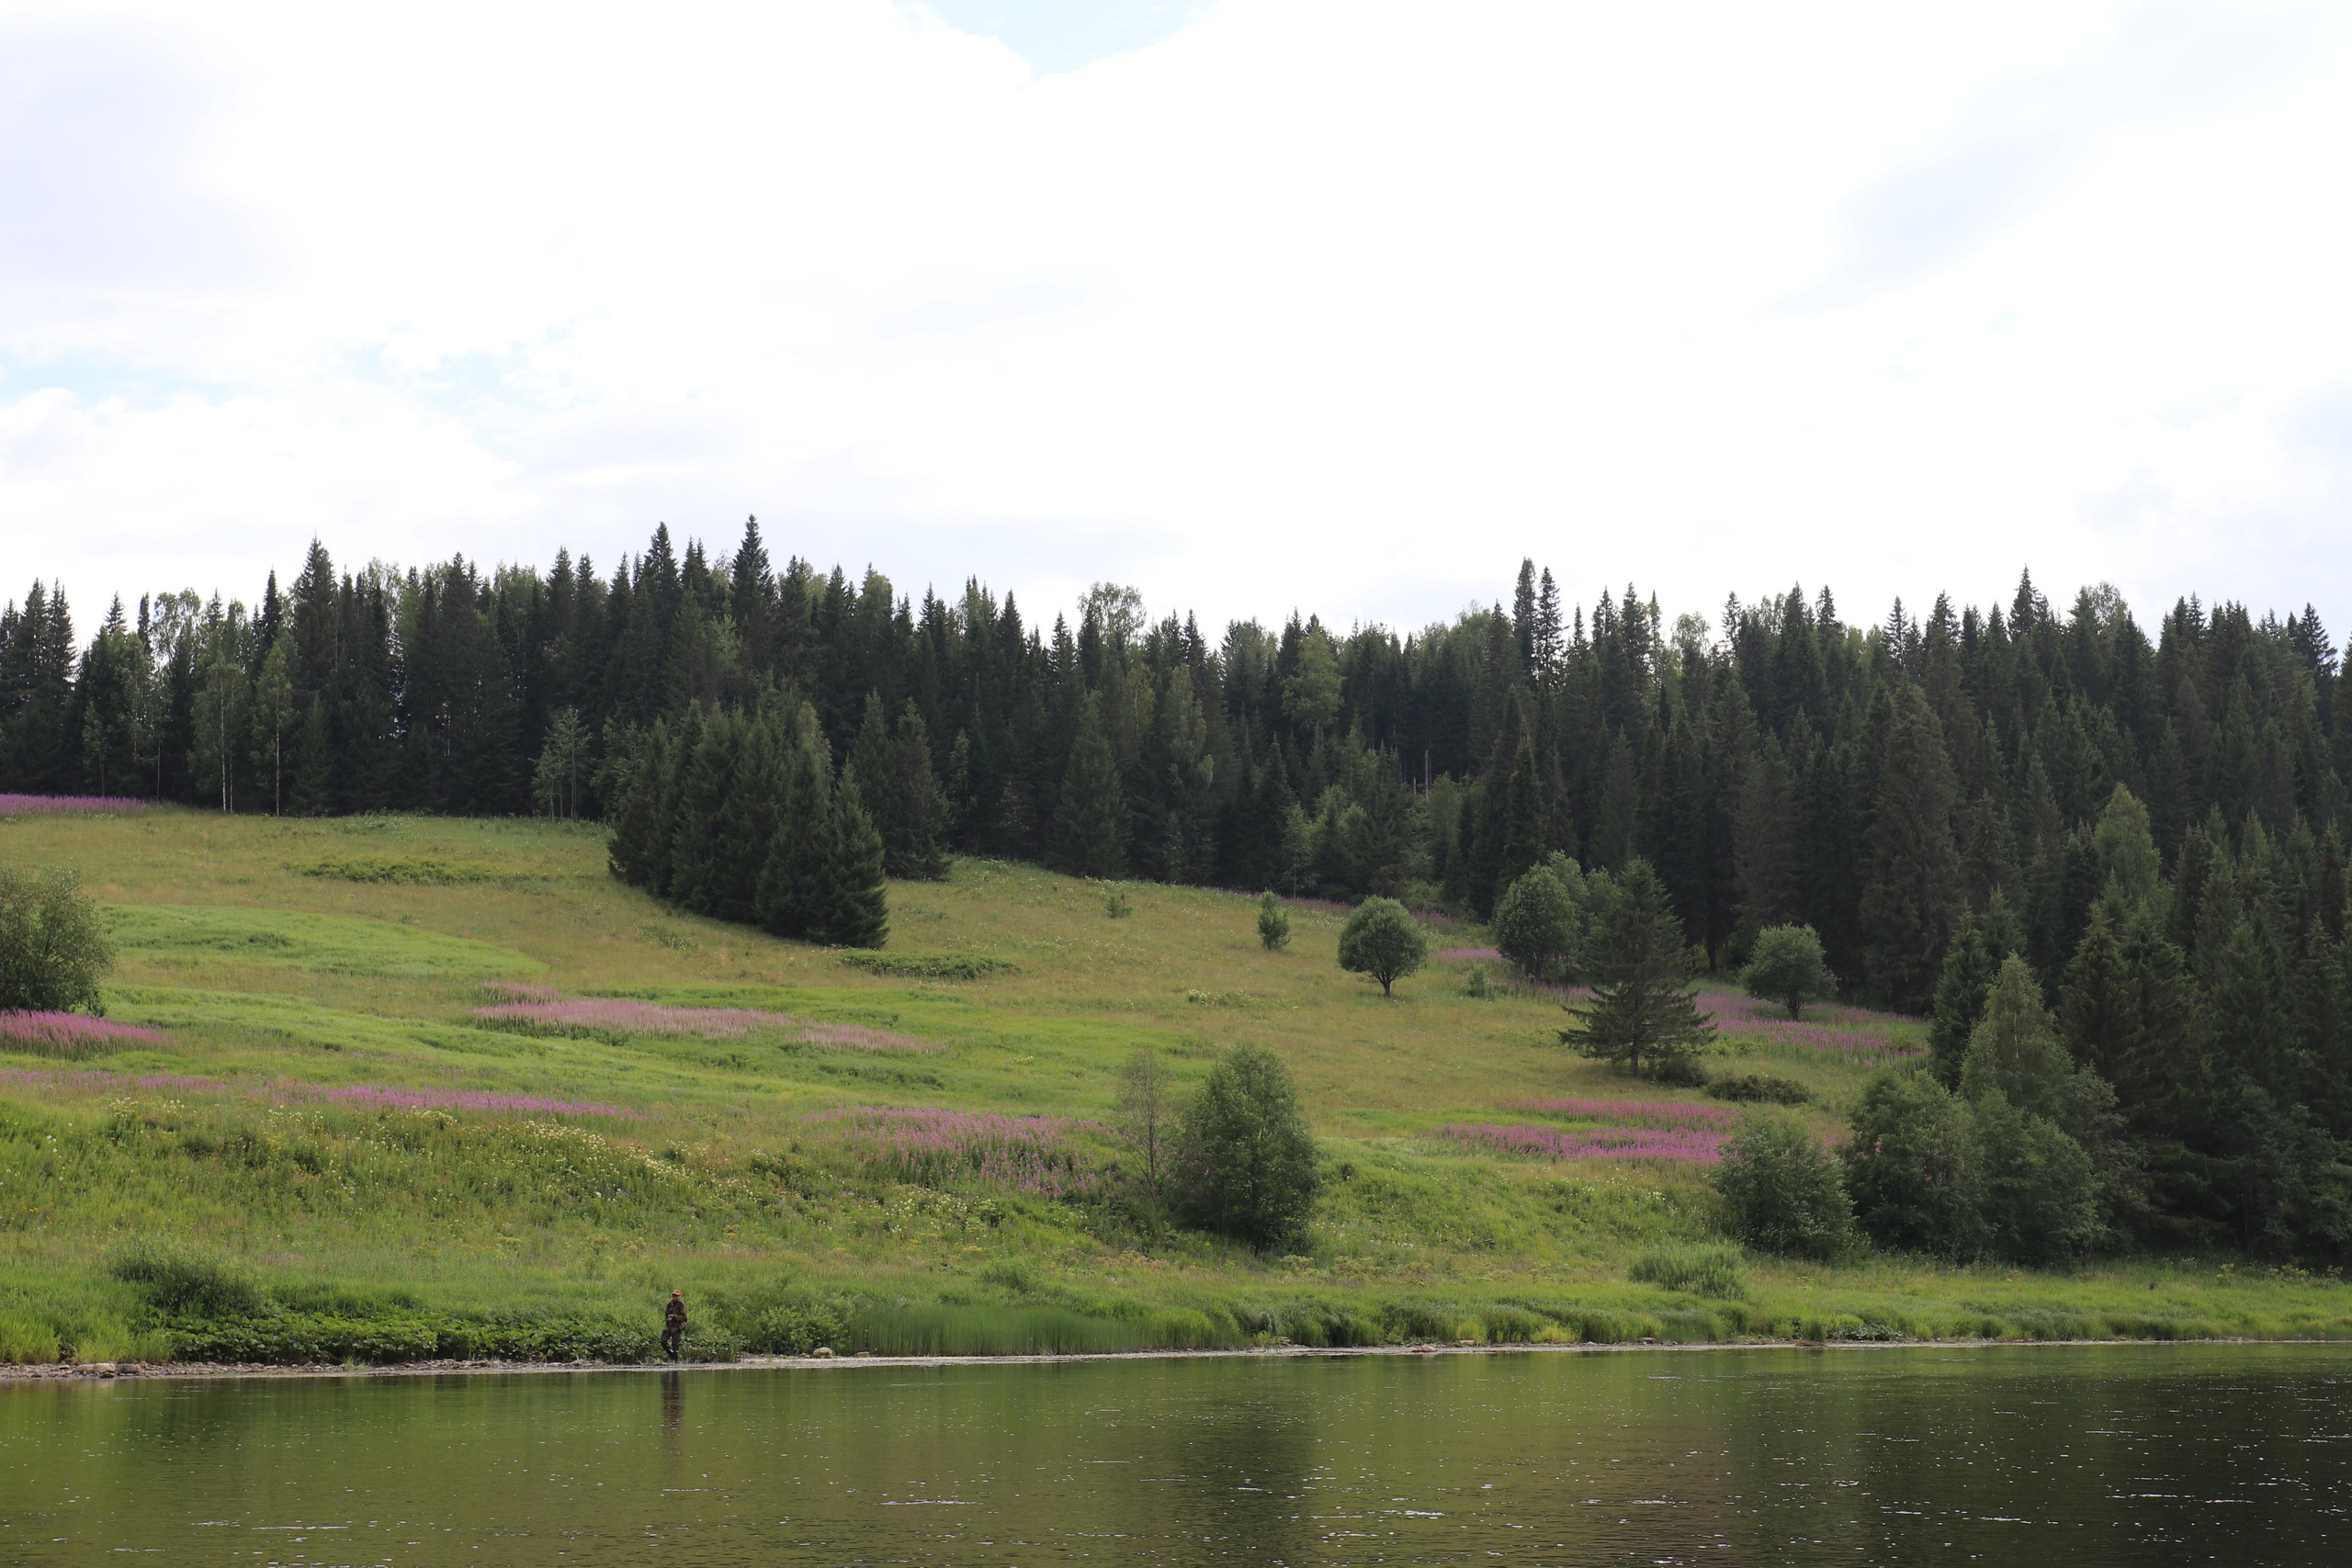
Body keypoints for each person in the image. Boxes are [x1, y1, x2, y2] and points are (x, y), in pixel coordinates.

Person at [662, 1290, 687, 1360]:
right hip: (668, 1326)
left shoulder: (681, 1305)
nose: (675, 1297)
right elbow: (666, 1314)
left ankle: (675, 1361)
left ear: (679, 1296)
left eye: (676, 1296)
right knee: (663, 1341)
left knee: (675, 1346)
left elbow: (684, 1317)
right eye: (673, 1295)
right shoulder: (669, 1304)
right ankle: (670, 1354)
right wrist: (668, 1318)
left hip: (676, 1327)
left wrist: (674, 1316)